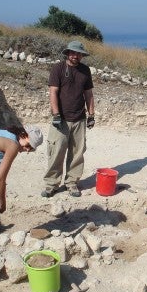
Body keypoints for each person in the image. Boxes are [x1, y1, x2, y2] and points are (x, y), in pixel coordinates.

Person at [42, 40, 95, 198]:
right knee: (56, 151)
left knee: (77, 152)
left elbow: (89, 94)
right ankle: (51, 184)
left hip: (79, 118)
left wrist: (91, 115)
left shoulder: (85, 71)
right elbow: (53, 92)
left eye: (78, 53)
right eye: (73, 53)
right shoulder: (58, 68)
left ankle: (72, 183)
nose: (75, 56)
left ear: (82, 55)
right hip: (62, 119)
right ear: (67, 53)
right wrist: (56, 114)